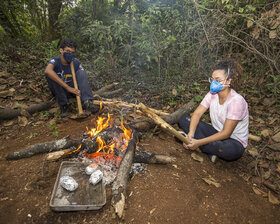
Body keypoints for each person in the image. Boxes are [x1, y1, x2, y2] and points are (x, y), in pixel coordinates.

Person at [178, 60, 249, 163]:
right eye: (212, 79)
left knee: (229, 151)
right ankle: (204, 147)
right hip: (216, 133)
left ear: (229, 81)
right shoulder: (212, 94)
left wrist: (199, 142)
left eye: (218, 80)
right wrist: (191, 133)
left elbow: (226, 133)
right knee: (184, 119)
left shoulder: (236, 101)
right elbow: (197, 114)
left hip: (233, 142)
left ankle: (195, 144)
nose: (214, 83)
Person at [45, 38, 99, 117]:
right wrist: (67, 87)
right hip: (60, 91)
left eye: (72, 52)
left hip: (74, 91)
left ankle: (87, 102)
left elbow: (81, 77)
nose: (70, 54)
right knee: (51, 76)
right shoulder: (55, 60)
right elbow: (47, 71)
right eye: (67, 51)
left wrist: (73, 89)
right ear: (61, 50)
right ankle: (64, 106)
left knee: (81, 72)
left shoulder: (75, 62)